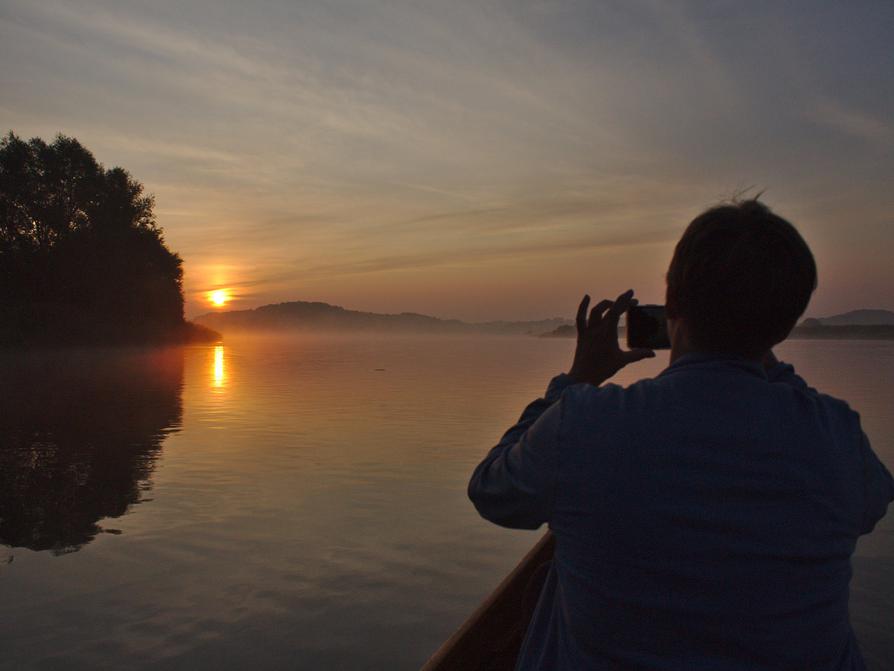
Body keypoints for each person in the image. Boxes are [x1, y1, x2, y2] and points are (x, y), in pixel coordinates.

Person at [468, 200, 894, 670]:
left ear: (672, 301)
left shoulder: (584, 425)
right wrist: (759, 353)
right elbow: (871, 505)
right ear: (789, 322)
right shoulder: (835, 435)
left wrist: (577, 379)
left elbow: (492, 491)